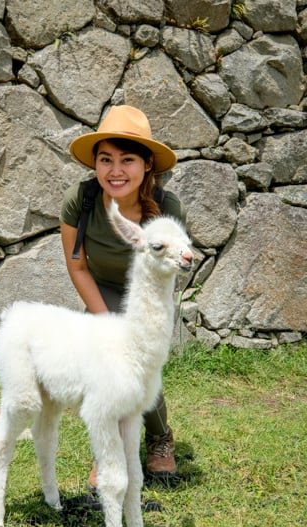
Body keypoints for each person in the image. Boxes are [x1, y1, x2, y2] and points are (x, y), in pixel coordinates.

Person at [59, 105, 186, 489]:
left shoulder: (168, 208)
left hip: (147, 294)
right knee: (105, 369)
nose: (115, 171)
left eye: (127, 160)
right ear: (95, 164)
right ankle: (108, 453)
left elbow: (169, 270)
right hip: (102, 290)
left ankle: (160, 438)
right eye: (106, 160)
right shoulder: (79, 201)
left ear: (147, 165)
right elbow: (77, 267)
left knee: (141, 360)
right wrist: (103, 319)